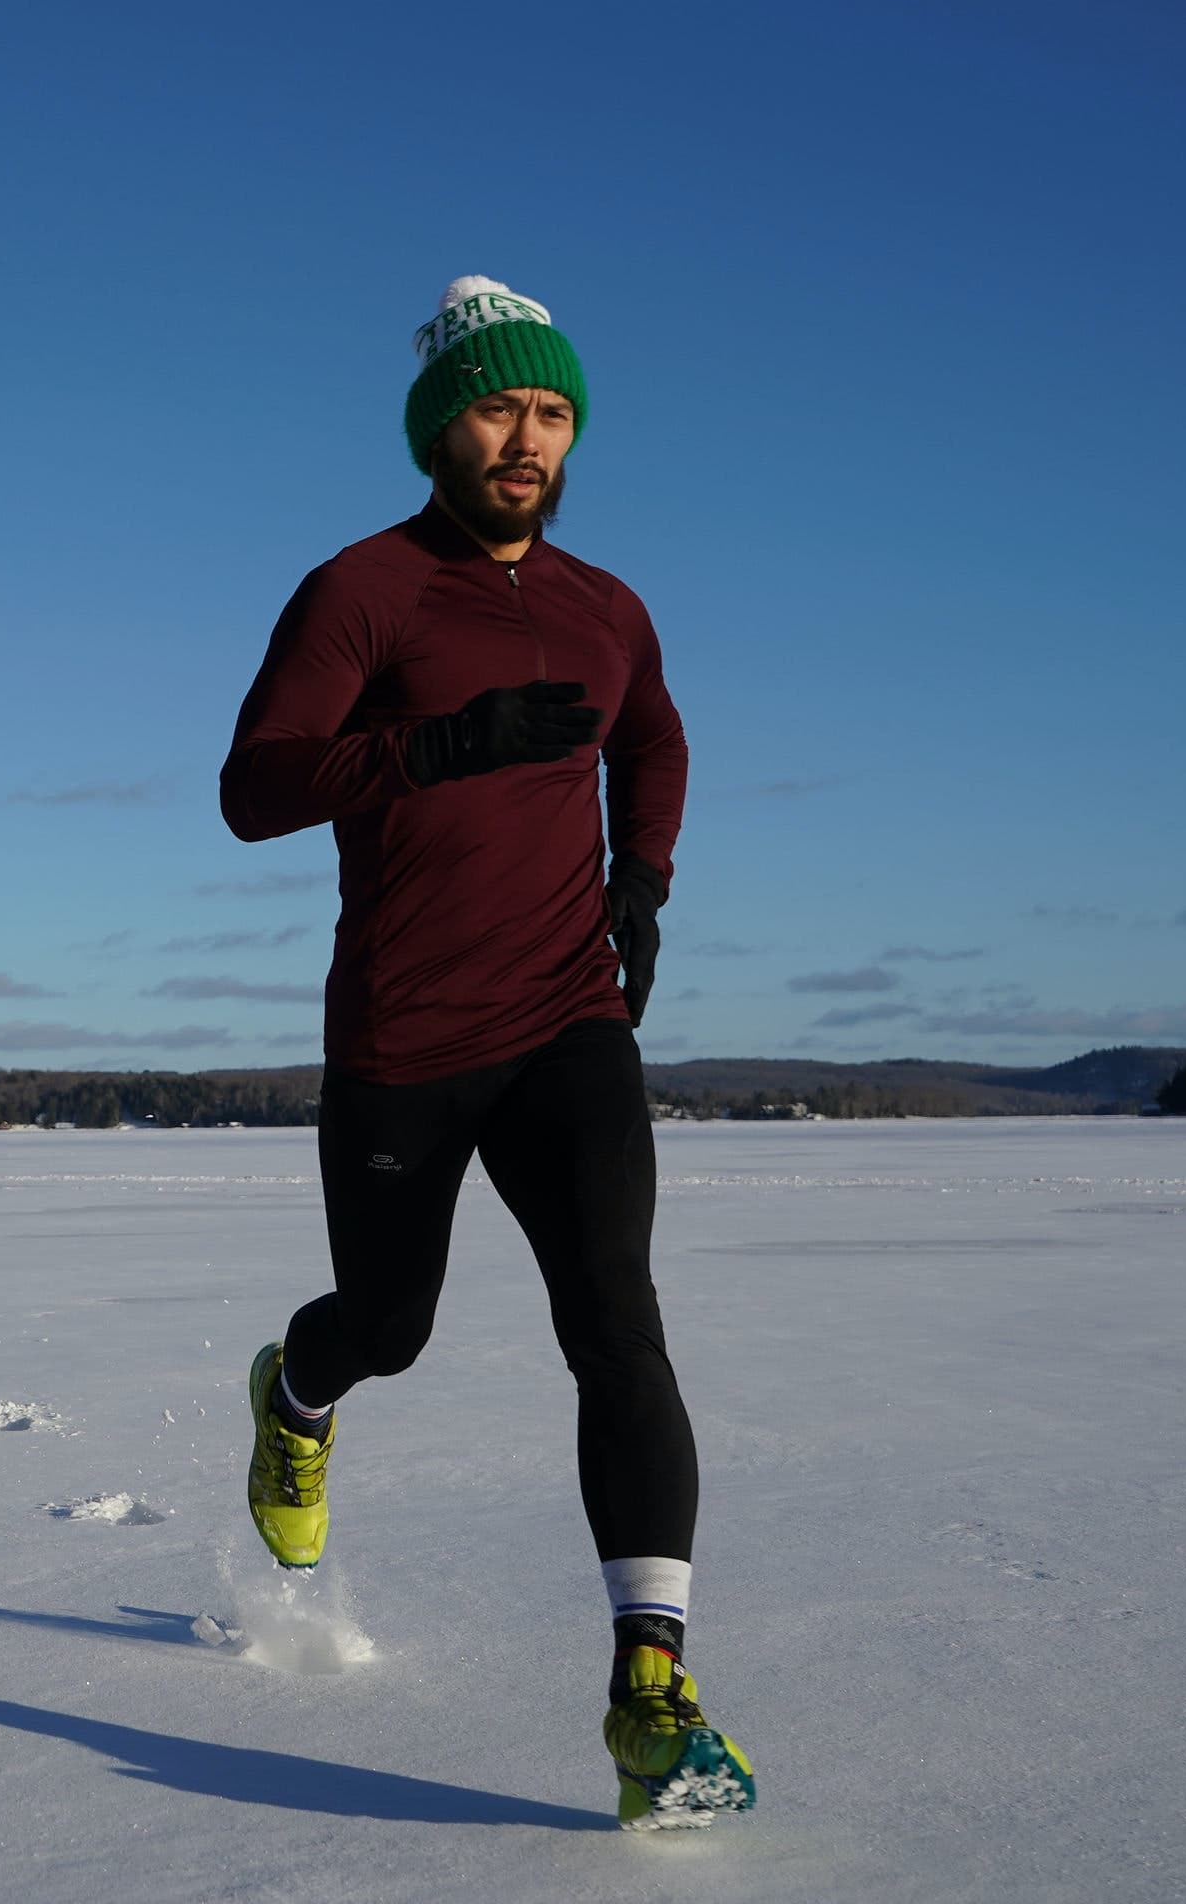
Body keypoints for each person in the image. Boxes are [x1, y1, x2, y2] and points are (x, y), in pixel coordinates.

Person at [215, 274, 753, 1829]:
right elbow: (255, 787)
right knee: (389, 1324)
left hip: (567, 1019)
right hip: (404, 1035)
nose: (531, 438)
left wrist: (641, 879)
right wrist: (431, 748)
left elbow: (653, 731)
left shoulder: (606, 606)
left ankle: (651, 1689)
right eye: (503, 408)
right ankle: (298, 1396)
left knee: (619, 1327)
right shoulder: (362, 592)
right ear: (439, 428)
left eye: (556, 412)